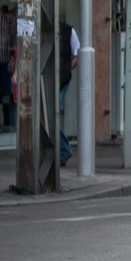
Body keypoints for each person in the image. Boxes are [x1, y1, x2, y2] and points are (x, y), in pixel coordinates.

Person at [59, 21, 79, 166]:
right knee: (49, 115)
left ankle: (64, 150)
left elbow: (78, 54)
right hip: (49, 78)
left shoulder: (68, 31)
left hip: (62, 80)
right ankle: (62, 150)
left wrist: (65, 69)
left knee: (51, 114)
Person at [0, 5, 15, 131]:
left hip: (4, 60)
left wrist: (14, 59)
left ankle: (9, 123)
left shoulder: (8, 20)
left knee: (7, 92)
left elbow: (15, 40)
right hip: (0, 58)